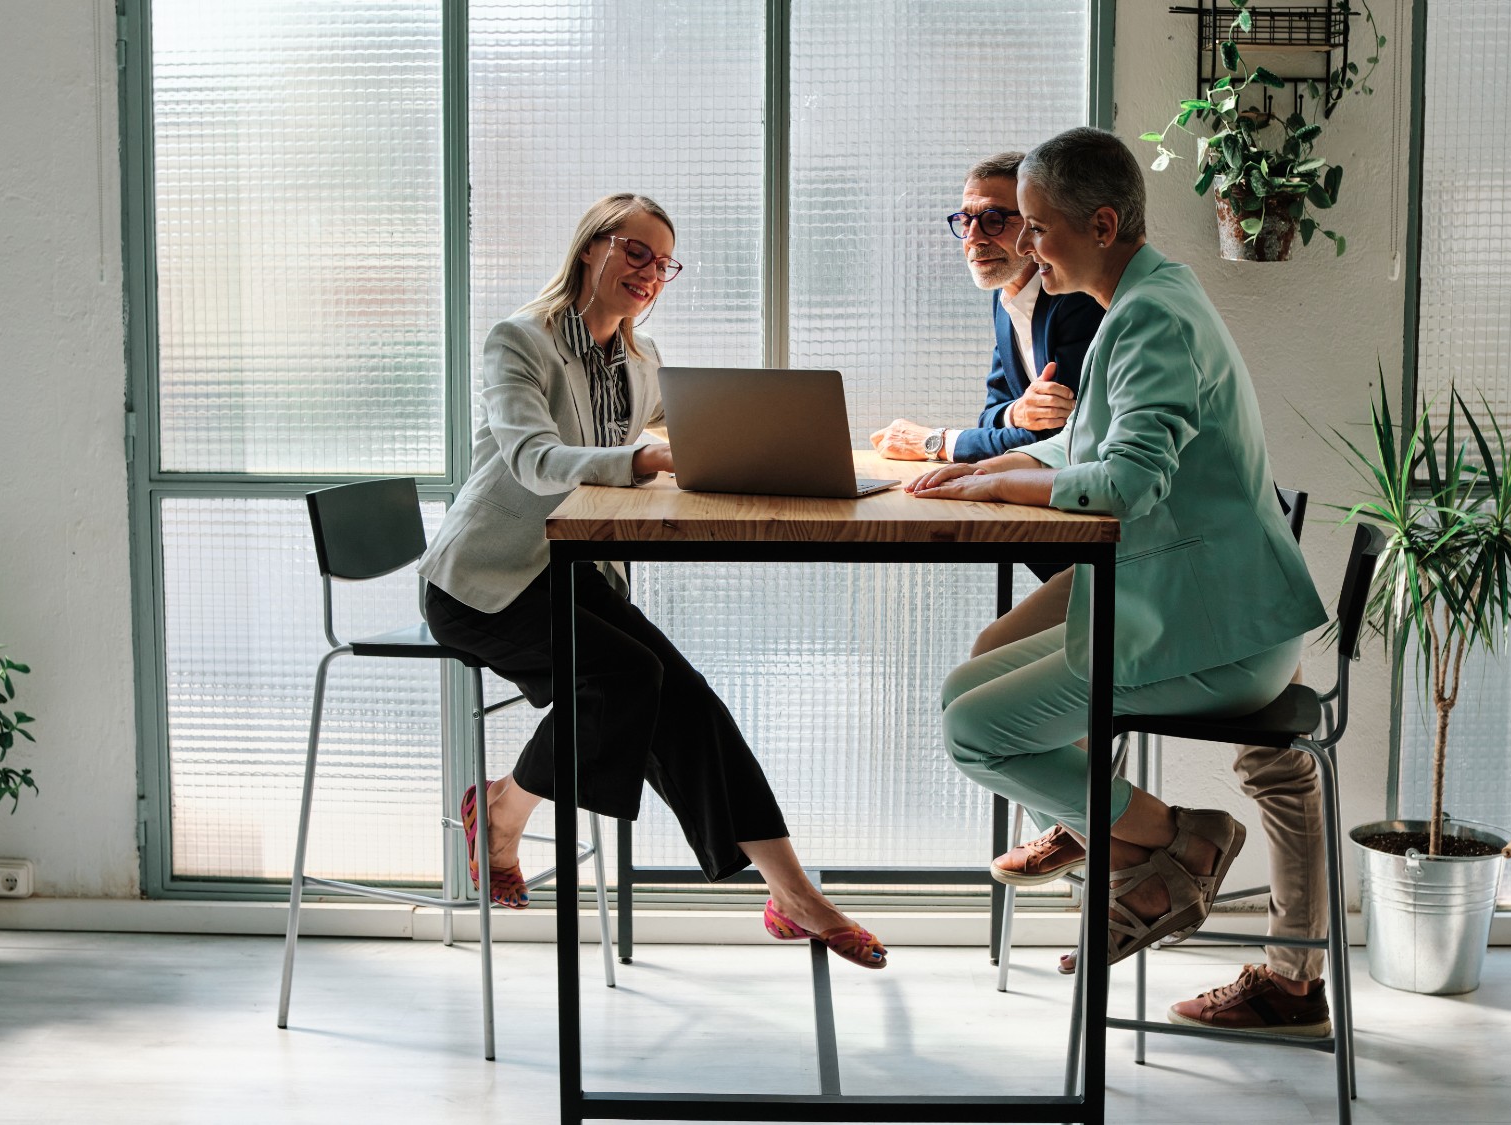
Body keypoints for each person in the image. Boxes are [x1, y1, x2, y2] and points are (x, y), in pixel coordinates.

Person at [910, 128, 1332, 1033]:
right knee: (964, 690)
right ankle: (1161, 844)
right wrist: (990, 466)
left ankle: (1175, 840)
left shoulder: (1149, 318)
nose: (1025, 248)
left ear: (1100, 224)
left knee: (973, 731)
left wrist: (1005, 474)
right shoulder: (1147, 294)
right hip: (1191, 604)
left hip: (1219, 633)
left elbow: (1128, 482)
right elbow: (1091, 446)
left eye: (1036, 229)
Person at [417, 193, 885, 969]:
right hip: (484, 585)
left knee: (684, 692)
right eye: (636, 252)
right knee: (631, 678)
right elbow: (534, 459)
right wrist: (638, 459)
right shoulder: (519, 342)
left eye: (663, 263)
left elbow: (701, 423)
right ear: (590, 245)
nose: (650, 273)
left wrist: (780, 443)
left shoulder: (642, 359)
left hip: (572, 573)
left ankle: (790, 889)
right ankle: (504, 809)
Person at [869, 152, 1104, 467]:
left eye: (994, 220)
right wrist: (1015, 412)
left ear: (1036, 225)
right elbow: (991, 414)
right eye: (966, 221)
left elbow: (1058, 441)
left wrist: (936, 442)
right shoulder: (1005, 295)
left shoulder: (1076, 299)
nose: (973, 238)